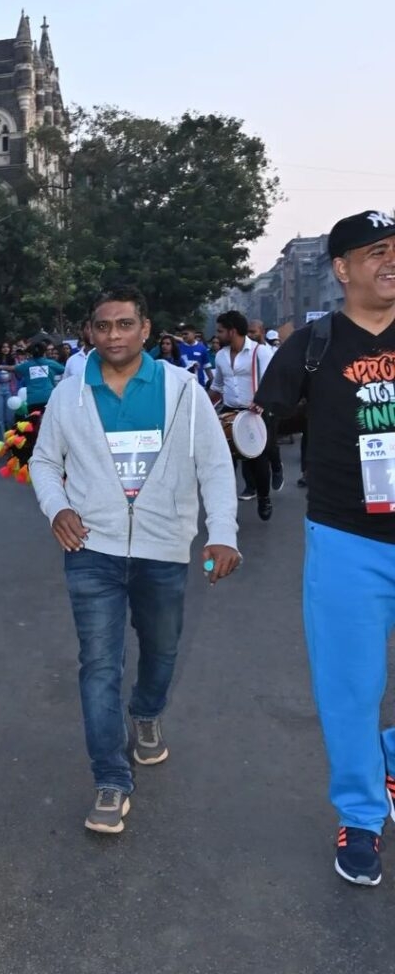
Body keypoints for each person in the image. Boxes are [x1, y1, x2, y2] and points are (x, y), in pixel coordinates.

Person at [30, 286, 239, 834]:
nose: (115, 335)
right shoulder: (70, 395)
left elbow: (215, 466)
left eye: (126, 324)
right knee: (99, 665)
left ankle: (145, 713)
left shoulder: (181, 390)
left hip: (163, 549)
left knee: (162, 652)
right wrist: (57, 509)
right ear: (90, 333)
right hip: (91, 550)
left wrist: (224, 534)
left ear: (146, 329)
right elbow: (44, 462)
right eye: (104, 327)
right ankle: (110, 779)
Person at [255, 208, 395, 886]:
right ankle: (363, 818)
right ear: (341, 269)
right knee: (350, 688)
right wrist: (239, 431)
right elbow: (263, 418)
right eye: (375, 252)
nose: (389, 260)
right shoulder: (312, 345)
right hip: (345, 537)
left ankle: (386, 758)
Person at [210, 310, 276, 519]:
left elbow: (270, 382)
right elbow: (217, 385)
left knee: (258, 459)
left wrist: (261, 402)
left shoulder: (260, 352)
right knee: (226, 463)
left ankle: (264, 499)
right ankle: (229, 509)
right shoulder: (220, 356)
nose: (217, 335)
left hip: (254, 412)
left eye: (220, 331)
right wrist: (203, 402)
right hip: (230, 411)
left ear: (232, 331)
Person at [14, 342, 64, 413]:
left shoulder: (26, 365)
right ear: (44, 353)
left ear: (32, 354)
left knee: (35, 422)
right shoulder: (50, 363)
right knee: (50, 422)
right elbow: (63, 370)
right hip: (49, 397)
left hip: (33, 400)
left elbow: (14, 368)